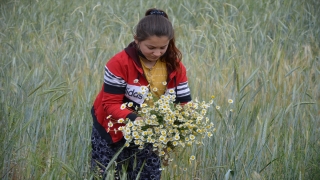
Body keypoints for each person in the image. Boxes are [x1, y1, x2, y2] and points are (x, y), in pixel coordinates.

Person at [90, 8, 192, 179]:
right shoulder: (119, 63)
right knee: (106, 175)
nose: (157, 53)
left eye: (163, 47)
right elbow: (110, 104)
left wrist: (177, 126)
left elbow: (184, 102)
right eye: (151, 47)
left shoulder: (176, 67)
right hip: (112, 131)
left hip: (150, 132)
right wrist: (138, 120)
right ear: (136, 40)